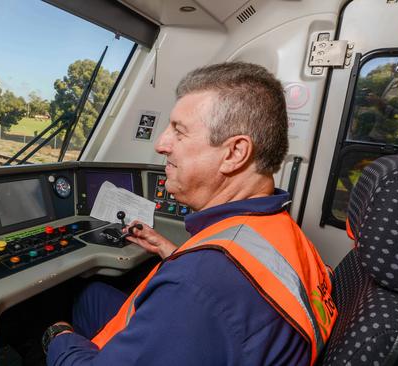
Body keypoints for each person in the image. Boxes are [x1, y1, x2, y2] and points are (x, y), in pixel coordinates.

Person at [42, 62, 338, 365]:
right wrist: (173, 253)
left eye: (178, 131)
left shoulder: (197, 285)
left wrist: (58, 336)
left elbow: (205, 294)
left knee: (55, 320)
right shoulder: (280, 229)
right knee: (88, 293)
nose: (161, 144)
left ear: (234, 153)